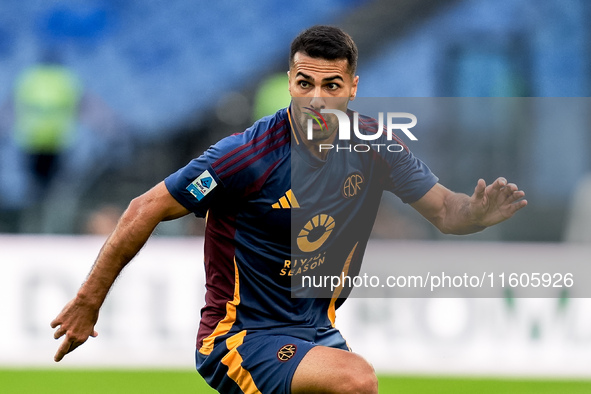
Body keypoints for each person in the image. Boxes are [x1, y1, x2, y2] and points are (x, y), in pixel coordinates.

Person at [51, 25, 527, 394]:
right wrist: (89, 301)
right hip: (241, 338)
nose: (316, 99)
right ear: (290, 83)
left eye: (332, 85)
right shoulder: (245, 156)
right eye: (305, 83)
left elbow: (446, 211)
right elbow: (144, 207)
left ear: (352, 87)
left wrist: (477, 212)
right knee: (355, 380)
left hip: (317, 332)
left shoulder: (375, 145)